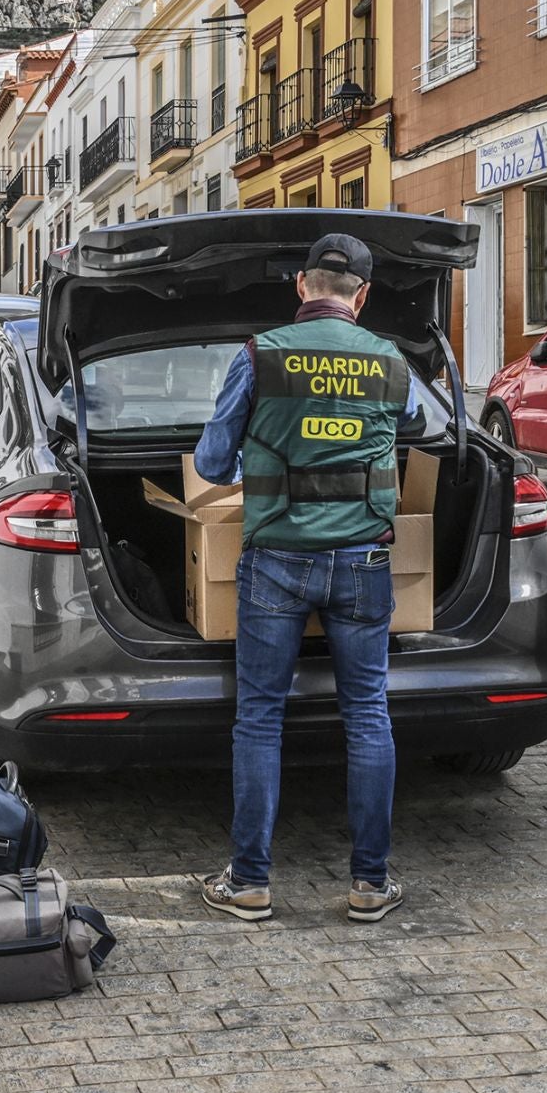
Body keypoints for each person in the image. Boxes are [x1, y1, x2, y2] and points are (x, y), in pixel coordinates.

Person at [193, 232, 415, 925]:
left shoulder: (259, 355)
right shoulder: (390, 360)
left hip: (276, 564)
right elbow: (415, 424)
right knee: (368, 715)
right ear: (364, 295)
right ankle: (370, 885)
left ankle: (252, 882)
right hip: (364, 564)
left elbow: (210, 461)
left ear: (301, 284)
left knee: (259, 718)